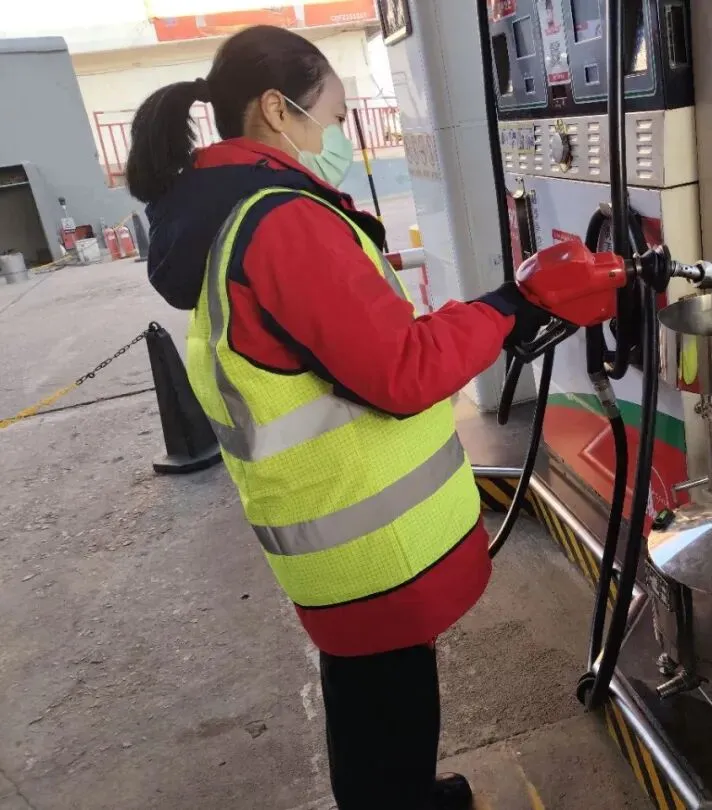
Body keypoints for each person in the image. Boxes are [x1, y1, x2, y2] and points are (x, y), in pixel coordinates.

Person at [125, 24, 547, 810]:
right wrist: (509, 307)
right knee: (390, 700)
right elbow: (402, 370)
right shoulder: (284, 224)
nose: (339, 137)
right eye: (336, 117)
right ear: (277, 111)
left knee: (370, 702)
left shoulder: (228, 217)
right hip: (372, 544)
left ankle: (402, 793)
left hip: (330, 535)